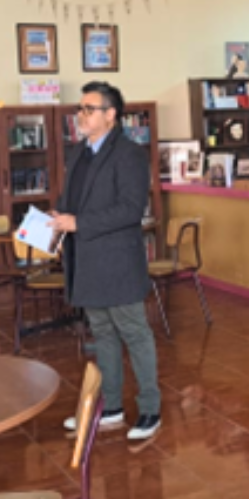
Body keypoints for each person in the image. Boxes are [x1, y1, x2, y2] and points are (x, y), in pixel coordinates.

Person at [52, 81, 162, 441]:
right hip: (86, 260)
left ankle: (150, 410)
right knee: (103, 336)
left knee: (134, 333)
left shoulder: (129, 154)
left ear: (110, 115)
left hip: (117, 262)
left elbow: (131, 210)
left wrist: (79, 222)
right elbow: (76, 201)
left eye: (88, 109)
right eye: (79, 109)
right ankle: (111, 407)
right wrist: (59, 218)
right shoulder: (79, 153)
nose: (81, 116)